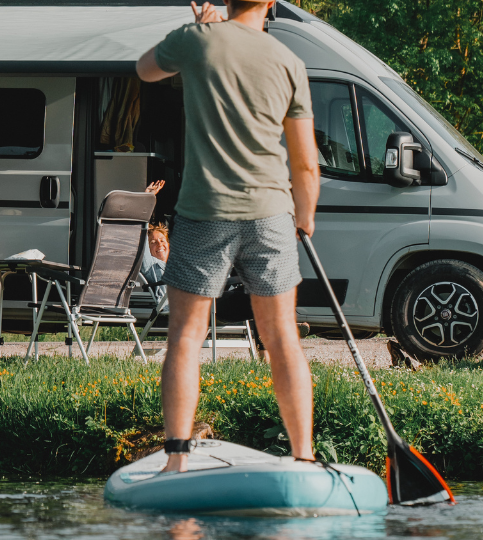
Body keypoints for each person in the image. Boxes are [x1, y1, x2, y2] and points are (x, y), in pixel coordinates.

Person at [136, 0, 321, 472]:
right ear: (270, 3)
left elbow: (144, 70)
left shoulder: (196, 42)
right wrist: (305, 217)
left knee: (186, 339)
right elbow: (305, 163)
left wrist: (199, 28)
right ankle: (304, 456)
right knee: (282, 338)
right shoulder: (289, 62)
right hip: (271, 213)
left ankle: (175, 461)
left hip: (205, 212)